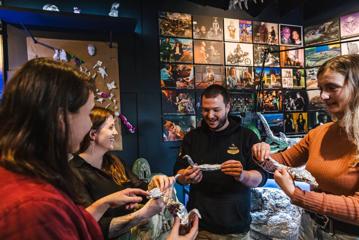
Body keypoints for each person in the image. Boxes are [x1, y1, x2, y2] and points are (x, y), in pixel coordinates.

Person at [0, 58, 149, 239]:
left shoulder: (25, 177)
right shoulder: (32, 209)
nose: (89, 125)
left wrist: (104, 203)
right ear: (60, 118)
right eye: (87, 113)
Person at [252, 54, 359, 239]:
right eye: (321, 88)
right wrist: (261, 153)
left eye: (332, 87)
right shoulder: (320, 133)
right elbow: (282, 161)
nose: (323, 96)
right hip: (310, 227)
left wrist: (295, 193)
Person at [174, 84, 268, 240]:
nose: (210, 115)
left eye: (216, 110)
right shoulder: (192, 137)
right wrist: (186, 176)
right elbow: (178, 173)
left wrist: (242, 175)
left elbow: (261, 178)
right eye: (205, 110)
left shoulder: (247, 136)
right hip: (198, 227)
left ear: (228, 107)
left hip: (236, 230)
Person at [70, 107, 175, 239]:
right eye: (110, 127)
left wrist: (155, 183)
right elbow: (92, 228)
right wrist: (144, 214)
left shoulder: (115, 162)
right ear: (93, 134)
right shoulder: (74, 172)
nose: (115, 132)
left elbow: (139, 188)